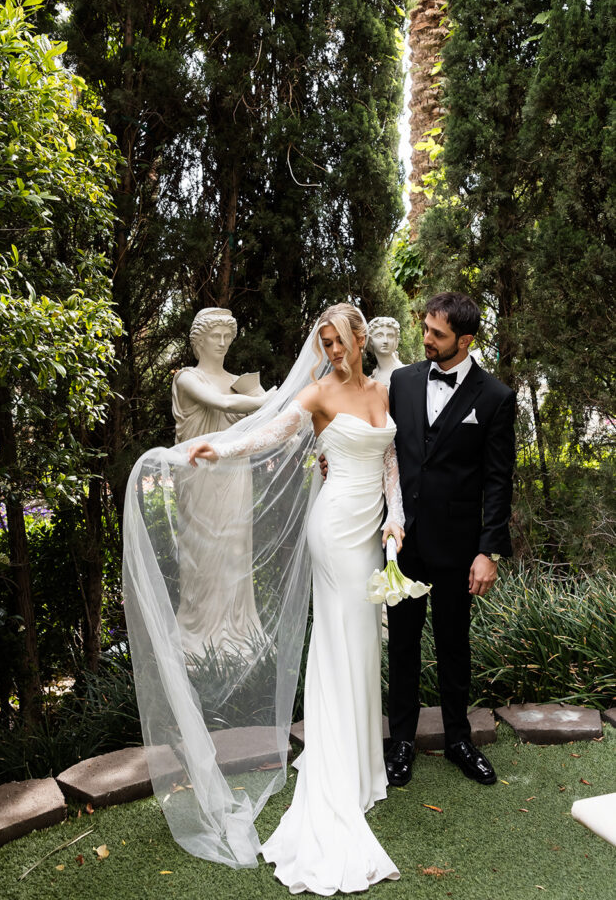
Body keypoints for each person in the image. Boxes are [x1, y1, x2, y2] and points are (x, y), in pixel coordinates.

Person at [188, 303, 403, 893]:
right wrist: (218, 450)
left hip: (369, 530)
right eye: (325, 343)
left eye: (339, 342)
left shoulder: (384, 389)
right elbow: (268, 433)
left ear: (361, 338)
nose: (332, 352)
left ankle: (362, 770)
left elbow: (390, 462)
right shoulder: (317, 393)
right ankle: (339, 773)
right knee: (340, 636)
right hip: (333, 530)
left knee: (362, 642)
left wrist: (397, 522)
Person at [383, 292, 515, 789]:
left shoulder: (495, 398)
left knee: (454, 645)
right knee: (403, 646)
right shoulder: (403, 380)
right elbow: (387, 450)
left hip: (460, 548)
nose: (426, 339)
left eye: (437, 334)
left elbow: (499, 480)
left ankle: (459, 739)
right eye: (426, 329)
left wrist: (488, 550)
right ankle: (401, 743)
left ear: (466, 339)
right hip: (404, 541)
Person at [171, 308, 271, 655]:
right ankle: (201, 633)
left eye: (228, 336)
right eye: (216, 336)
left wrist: (261, 404)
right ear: (199, 340)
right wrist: (267, 400)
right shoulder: (188, 378)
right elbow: (224, 402)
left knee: (235, 547)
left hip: (235, 473)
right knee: (203, 550)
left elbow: (252, 425)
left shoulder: (237, 381)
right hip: (199, 476)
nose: (224, 342)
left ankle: (237, 628)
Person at [366, 316, 404, 387]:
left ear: (396, 340)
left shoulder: (408, 372)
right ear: (370, 340)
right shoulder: (371, 380)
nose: (385, 341)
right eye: (379, 336)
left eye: (390, 336)